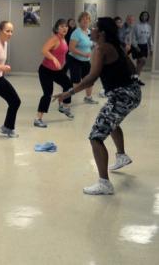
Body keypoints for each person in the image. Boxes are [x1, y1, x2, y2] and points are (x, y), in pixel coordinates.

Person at [54, 17, 141, 195]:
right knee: (112, 121)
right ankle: (122, 156)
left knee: (96, 136)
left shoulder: (101, 49)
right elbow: (132, 69)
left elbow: (91, 79)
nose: (90, 30)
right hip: (132, 93)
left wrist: (68, 93)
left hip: (121, 96)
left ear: (101, 33)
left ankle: (104, 184)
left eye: (93, 28)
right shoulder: (115, 45)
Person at [34, 19, 74, 128]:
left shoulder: (64, 39)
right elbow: (44, 50)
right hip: (46, 71)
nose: (64, 28)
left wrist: (62, 62)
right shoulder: (54, 39)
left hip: (57, 71)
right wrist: (54, 59)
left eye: (65, 26)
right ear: (57, 28)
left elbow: (62, 53)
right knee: (48, 94)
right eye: (61, 26)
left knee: (68, 85)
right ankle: (38, 119)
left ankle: (64, 107)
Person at [67, 12, 98, 104]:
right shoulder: (76, 33)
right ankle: (66, 98)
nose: (85, 20)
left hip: (86, 61)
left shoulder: (89, 32)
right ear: (79, 21)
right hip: (75, 60)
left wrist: (94, 47)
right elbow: (71, 49)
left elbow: (90, 45)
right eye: (83, 19)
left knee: (89, 80)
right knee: (76, 82)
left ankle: (88, 97)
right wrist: (83, 54)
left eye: (87, 19)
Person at [131, 11, 153, 85]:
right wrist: (136, 46)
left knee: (139, 63)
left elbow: (150, 38)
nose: (144, 17)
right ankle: (135, 77)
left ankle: (136, 78)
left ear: (147, 17)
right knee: (142, 61)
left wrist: (151, 49)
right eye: (143, 15)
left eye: (146, 16)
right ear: (141, 16)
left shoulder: (149, 27)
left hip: (144, 46)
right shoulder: (136, 26)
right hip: (137, 45)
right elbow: (133, 38)